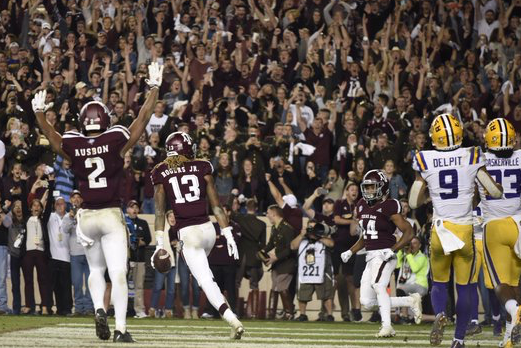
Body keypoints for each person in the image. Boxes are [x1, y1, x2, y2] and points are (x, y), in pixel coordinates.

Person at [31, 62, 164, 342]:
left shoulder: (74, 142)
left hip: (86, 217)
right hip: (111, 214)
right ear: (104, 120)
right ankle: (120, 330)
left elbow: (52, 137)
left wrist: (40, 113)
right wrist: (153, 89)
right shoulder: (115, 138)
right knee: (117, 272)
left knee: (95, 270)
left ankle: (99, 309)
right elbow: (141, 120)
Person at [408, 114, 503, 348]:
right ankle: (459, 339)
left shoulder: (425, 158)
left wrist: (430, 196)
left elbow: (412, 202)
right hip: (464, 230)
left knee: (439, 282)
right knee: (466, 287)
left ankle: (440, 313)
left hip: (440, 230)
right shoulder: (471, 154)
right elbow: (494, 191)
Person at [150, 131, 244, 339]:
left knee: (205, 281)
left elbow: (159, 212)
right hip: (209, 229)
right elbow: (217, 207)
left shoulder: (161, 172)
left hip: (188, 233)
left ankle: (232, 320)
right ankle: (229, 315)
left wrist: (159, 244)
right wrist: (227, 233)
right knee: (208, 277)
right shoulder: (202, 167)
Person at [341, 170, 422, 338]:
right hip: (370, 255)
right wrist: (351, 251)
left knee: (379, 286)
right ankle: (410, 300)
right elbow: (367, 235)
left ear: (382, 188)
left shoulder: (389, 206)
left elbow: (409, 232)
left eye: (373, 187)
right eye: (367, 187)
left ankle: (387, 327)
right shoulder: (362, 204)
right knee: (367, 302)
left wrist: (393, 249)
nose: (369, 191)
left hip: (385, 253)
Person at [477, 118, 521, 347]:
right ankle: (509, 336)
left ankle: (515, 311)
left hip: (494, 225)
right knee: (516, 284)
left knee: (501, 285)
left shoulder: (480, 159)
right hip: (519, 224)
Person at [291, 220, 335, 322]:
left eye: (314, 227)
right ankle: (302, 314)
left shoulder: (323, 238)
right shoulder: (303, 239)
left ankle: (329, 315)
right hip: (305, 273)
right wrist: (302, 234)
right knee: (302, 295)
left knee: (326, 295)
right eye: (310, 227)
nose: (312, 229)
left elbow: (331, 244)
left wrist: (318, 235)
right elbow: (293, 246)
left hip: (322, 272)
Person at [231, 198, 266, 319]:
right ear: (256, 209)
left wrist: (233, 197)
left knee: (235, 284)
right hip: (254, 258)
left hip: (241, 257)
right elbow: (263, 245)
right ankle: (255, 314)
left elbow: (230, 212)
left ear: (246, 207)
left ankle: (233, 310)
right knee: (254, 285)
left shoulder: (240, 219)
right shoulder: (262, 224)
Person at [261, 205, 296, 320]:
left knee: (282, 286)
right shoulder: (274, 228)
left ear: (274, 214)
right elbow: (271, 243)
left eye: (268, 213)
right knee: (275, 287)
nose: (267, 215)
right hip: (278, 263)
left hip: (287, 263)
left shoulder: (287, 229)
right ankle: (272, 313)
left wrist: (276, 257)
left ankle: (289, 313)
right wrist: (263, 251)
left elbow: (290, 249)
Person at [62, 190, 94, 315]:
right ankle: (79, 308)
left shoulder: (87, 213)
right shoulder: (67, 215)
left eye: (78, 197)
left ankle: (89, 307)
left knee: (90, 282)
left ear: (82, 200)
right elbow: (65, 229)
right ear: (70, 200)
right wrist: (71, 218)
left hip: (89, 252)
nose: (76, 199)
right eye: (73, 197)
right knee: (77, 282)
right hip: (75, 254)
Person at [149, 210, 178, 319]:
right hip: (161, 263)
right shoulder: (164, 228)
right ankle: (152, 309)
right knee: (157, 286)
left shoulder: (178, 229)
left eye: (174, 216)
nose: (172, 218)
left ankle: (168, 310)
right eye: (170, 216)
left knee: (171, 289)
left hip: (173, 263)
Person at [126, 200, 151, 318]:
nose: (134, 210)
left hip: (139, 258)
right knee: (122, 284)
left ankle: (139, 309)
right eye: (132, 207)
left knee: (139, 286)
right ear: (127, 210)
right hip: (125, 258)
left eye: (136, 207)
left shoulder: (143, 223)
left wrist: (141, 242)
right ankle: (119, 309)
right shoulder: (123, 222)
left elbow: (148, 239)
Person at [395, 236, 429, 324]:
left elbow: (415, 268)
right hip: (410, 285)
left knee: (400, 290)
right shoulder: (406, 256)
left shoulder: (422, 257)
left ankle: (405, 316)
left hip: (420, 286)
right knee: (416, 317)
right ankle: (439, 318)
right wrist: (400, 250)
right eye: (411, 243)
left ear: (420, 245)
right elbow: (397, 266)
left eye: (415, 243)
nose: (412, 245)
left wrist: (409, 254)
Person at [47, 196, 72, 315]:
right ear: (54, 206)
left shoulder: (70, 216)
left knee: (66, 285)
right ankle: (60, 309)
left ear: (65, 205)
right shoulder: (51, 217)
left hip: (67, 256)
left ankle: (67, 309)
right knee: (56, 286)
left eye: (62, 204)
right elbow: (44, 209)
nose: (60, 206)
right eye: (57, 204)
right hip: (53, 256)